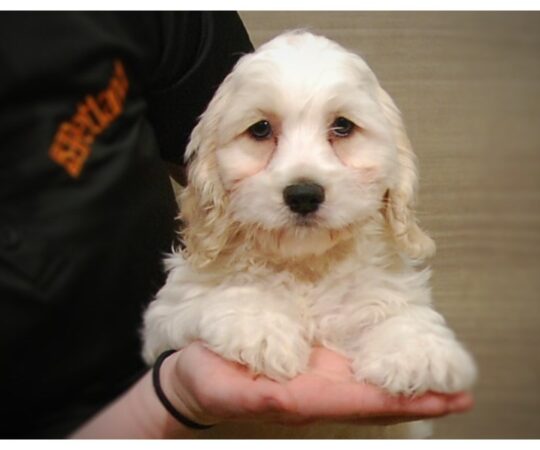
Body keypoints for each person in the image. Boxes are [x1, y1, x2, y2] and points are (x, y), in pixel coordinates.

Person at [0, 12, 473, 438]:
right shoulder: (207, 280)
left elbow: (403, 345)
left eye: (343, 128)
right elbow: (170, 321)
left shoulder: (383, 280)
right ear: (208, 174)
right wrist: (222, 323)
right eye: (261, 131)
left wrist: (403, 335)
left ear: (398, 169)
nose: (302, 180)